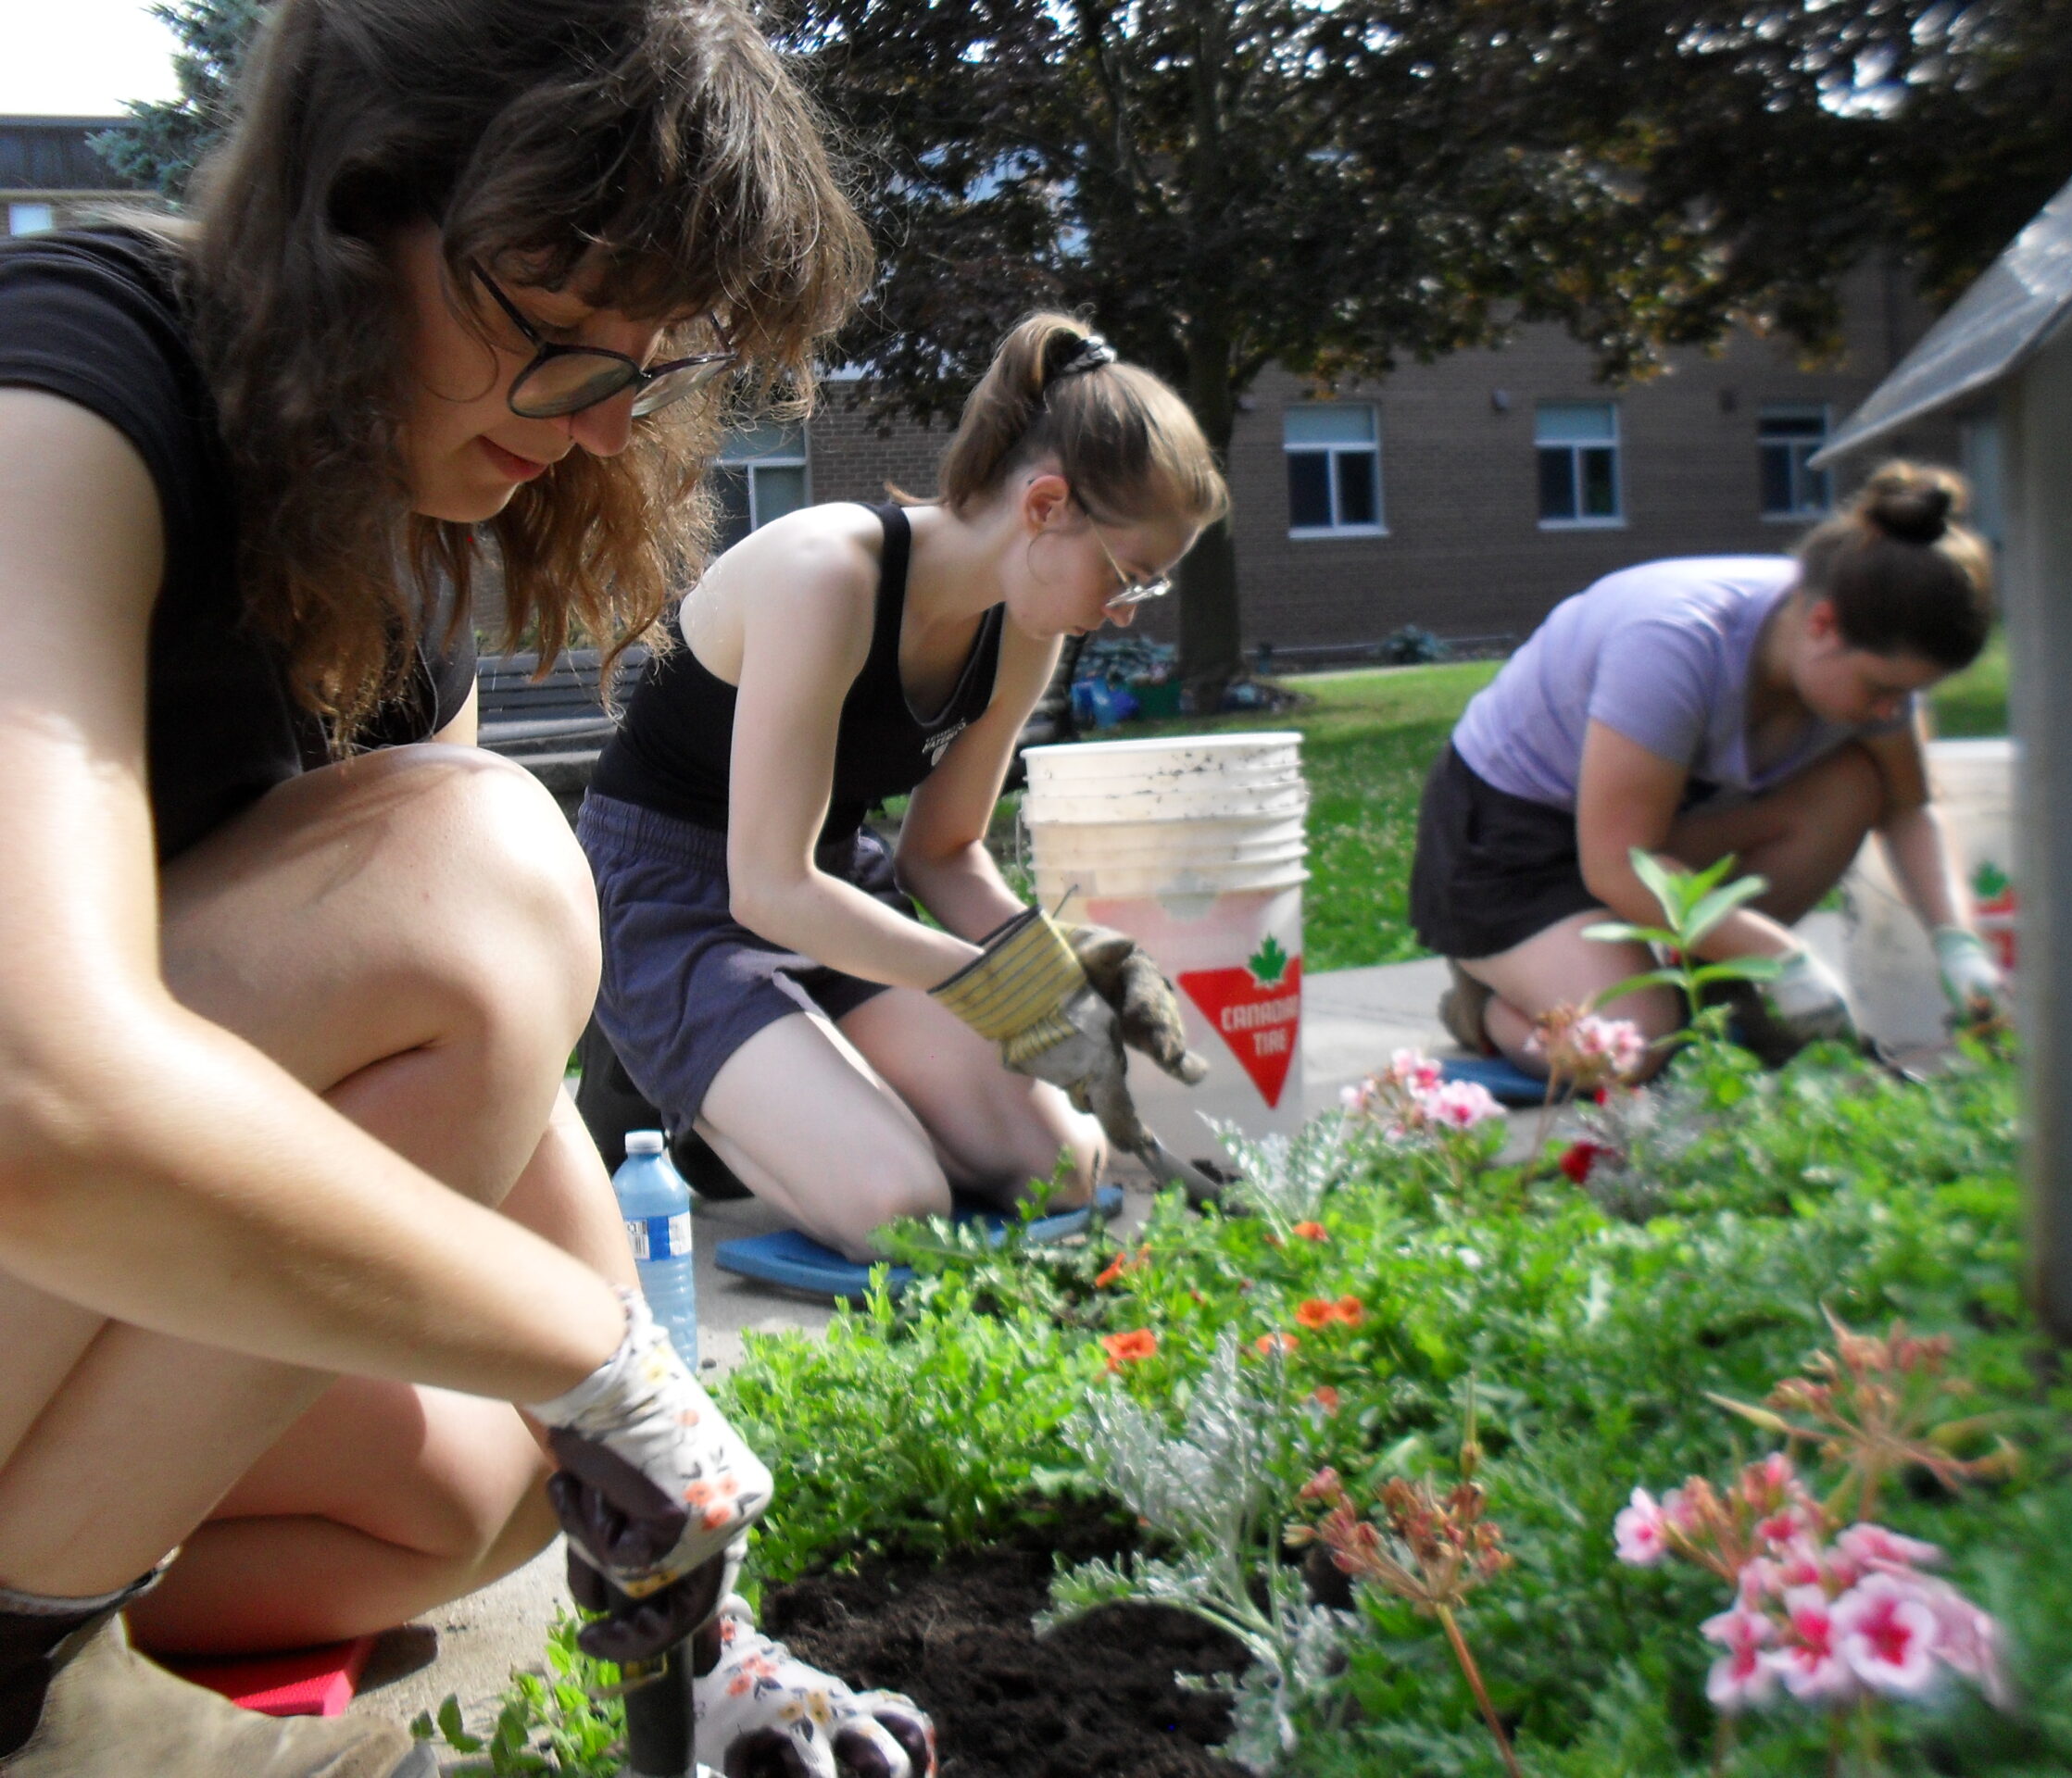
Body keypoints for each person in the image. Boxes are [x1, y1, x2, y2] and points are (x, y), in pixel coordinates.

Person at [0, 4, 933, 1774]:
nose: (596, 430)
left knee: (489, 1483)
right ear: (352, 209)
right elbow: (36, 1097)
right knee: (481, 858)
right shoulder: (69, 378)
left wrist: (668, 1509)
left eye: (645, 368)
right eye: (562, 340)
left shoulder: (396, 555)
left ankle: (48, 1663)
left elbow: (502, 1089)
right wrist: (589, 1353)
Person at [579, 313, 1228, 1259]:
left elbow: (943, 852)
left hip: (832, 892)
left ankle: (756, 1083)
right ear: (1045, 506)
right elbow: (766, 886)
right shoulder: (825, 574)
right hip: (673, 899)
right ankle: (664, 1072)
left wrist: (1062, 973)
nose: (1126, 608)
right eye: (1130, 573)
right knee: (899, 1208)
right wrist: (999, 987)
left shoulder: (1027, 629)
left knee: (1066, 1168)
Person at [1409, 463, 2006, 1068]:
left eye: (1910, 693)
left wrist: (1958, 943)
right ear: (1823, 625)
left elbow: (1910, 808)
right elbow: (1617, 866)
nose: (1893, 712)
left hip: (1642, 832)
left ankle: (1729, 989)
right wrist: (1782, 956)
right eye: (1882, 689)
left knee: (1858, 782)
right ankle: (1486, 1004)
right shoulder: (1674, 643)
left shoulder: (1867, 636)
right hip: (1508, 850)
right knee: (1631, 1045)